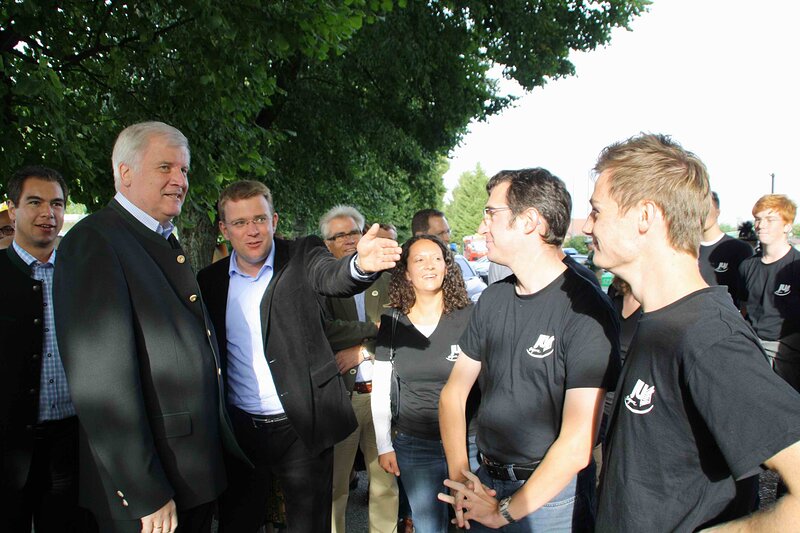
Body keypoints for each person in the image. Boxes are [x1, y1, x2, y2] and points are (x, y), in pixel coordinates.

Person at [584, 133, 800, 531]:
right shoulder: (659, 322)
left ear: (645, 216)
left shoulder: (709, 339)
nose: (586, 226)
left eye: (597, 211)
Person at [54, 122, 246, 533]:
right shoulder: (96, 242)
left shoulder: (155, 238)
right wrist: (142, 489)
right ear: (125, 173)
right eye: (165, 168)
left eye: (184, 170)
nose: (180, 180)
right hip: (152, 490)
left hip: (188, 472)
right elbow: (101, 386)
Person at [196, 181, 401, 533]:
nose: (253, 230)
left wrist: (359, 267)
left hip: (301, 424)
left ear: (274, 220)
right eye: (241, 222)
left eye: (260, 219)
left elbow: (333, 277)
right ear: (224, 228)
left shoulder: (302, 255)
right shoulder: (209, 281)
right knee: (238, 522)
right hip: (240, 429)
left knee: (309, 525)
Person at [438, 168, 619, 531]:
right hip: (483, 481)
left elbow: (577, 443)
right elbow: (453, 394)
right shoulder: (492, 299)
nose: (482, 224)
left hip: (551, 499)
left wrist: (504, 512)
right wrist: (462, 479)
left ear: (530, 221)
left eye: (492, 213)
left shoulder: (586, 311)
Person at [0, 166, 88, 532]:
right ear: (12, 208)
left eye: (57, 204)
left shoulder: (82, 274)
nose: (47, 214)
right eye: (34, 202)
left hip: (70, 446)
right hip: (8, 448)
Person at [371, 235, 476, 533]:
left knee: (473, 524)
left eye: (436, 259)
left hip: (469, 442)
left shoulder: (470, 316)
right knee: (429, 527)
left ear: (447, 265)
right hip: (415, 445)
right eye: (419, 260)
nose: (429, 266)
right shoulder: (392, 321)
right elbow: (381, 389)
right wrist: (384, 445)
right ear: (406, 272)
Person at [318, 205, 399, 533]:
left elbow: (403, 327)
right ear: (327, 244)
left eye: (354, 232)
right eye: (339, 235)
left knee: (384, 485)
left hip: (381, 398)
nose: (349, 240)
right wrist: (376, 329)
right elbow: (326, 330)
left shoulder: (389, 278)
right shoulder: (321, 285)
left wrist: (363, 351)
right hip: (340, 399)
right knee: (335, 488)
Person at [739, 194, 800, 392]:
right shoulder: (747, 266)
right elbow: (744, 307)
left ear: (787, 225)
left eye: (770, 219)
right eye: (758, 219)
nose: (761, 225)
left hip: (787, 356)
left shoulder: (796, 266)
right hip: (751, 350)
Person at [698, 191, 753, 307]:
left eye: (707, 207)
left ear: (717, 212)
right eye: (698, 207)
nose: (702, 213)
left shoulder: (740, 249)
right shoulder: (685, 249)